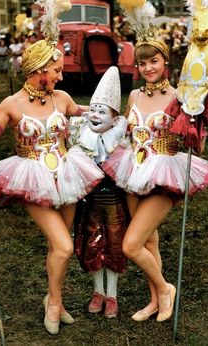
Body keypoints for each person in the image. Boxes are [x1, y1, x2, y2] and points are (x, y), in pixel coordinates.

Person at [0, 0, 104, 335]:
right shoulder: (11, 104)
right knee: (63, 246)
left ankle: (56, 301)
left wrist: (109, 115)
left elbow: (87, 112)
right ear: (38, 70)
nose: (60, 76)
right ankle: (52, 304)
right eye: (57, 71)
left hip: (67, 174)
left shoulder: (60, 97)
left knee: (55, 248)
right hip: (32, 177)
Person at [102, 0, 208, 323]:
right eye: (142, 63)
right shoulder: (135, 96)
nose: (148, 67)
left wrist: (197, 123)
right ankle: (154, 301)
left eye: (154, 61)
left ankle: (165, 289)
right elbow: (125, 129)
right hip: (132, 168)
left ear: (166, 61)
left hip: (165, 170)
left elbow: (197, 140)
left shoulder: (181, 97)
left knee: (131, 245)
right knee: (149, 239)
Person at [69, 67, 130, 318]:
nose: (94, 115)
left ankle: (112, 294)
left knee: (114, 243)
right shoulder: (81, 137)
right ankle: (98, 291)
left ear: (114, 120)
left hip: (114, 200)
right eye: (92, 110)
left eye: (101, 111)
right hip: (90, 200)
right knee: (92, 242)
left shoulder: (121, 141)